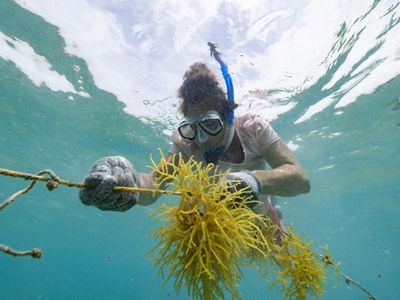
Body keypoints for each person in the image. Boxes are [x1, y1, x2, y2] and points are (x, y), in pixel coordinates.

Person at [79, 62, 310, 222]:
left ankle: (272, 211)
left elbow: (301, 179)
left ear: (226, 117)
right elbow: (155, 184)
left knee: (277, 256)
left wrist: (254, 180)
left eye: (210, 125)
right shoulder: (185, 144)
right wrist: (129, 183)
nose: (202, 139)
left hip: (259, 215)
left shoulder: (253, 128)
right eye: (192, 128)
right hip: (213, 222)